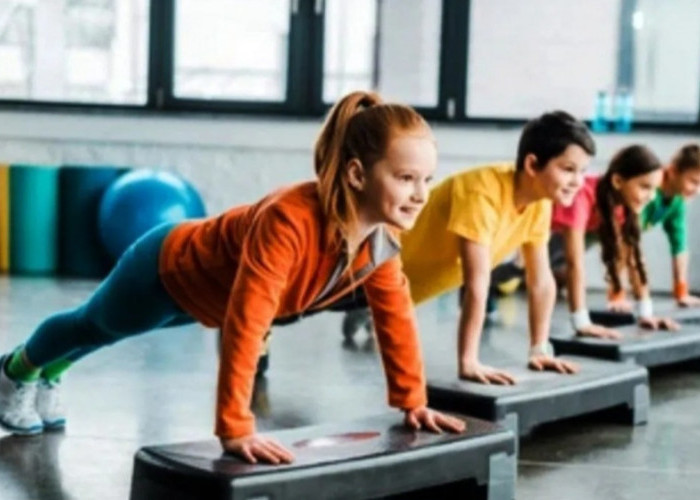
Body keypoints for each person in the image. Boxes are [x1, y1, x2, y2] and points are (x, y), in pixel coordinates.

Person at [0, 91, 464, 464]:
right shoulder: (290, 220)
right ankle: (15, 370)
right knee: (95, 326)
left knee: (106, 333)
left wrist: (412, 401)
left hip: (203, 300)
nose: (421, 194)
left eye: (427, 179)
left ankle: (50, 372)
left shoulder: (379, 246)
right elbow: (247, 321)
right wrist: (236, 426)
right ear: (358, 173)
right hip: (167, 270)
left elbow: (395, 319)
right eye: (406, 178)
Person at [346, 110, 594, 385]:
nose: (578, 182)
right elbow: (476, 284)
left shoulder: (540, 203)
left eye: (583, 171)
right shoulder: (481, 192)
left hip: (398, 290)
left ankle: (367, 312)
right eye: (568, 169)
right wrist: (469, 361)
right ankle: (362, 309)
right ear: (533, 165)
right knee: (296, 308)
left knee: (373, 306)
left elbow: (541, 281)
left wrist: (539, 349)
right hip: (361, 272)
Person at [550, 144, 680, 339]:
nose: (651, 197)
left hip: (560, 236)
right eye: (645, 187)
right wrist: (582, 323)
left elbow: (634, 258)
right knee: (509, 273)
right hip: (536, 234)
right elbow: (575, 263)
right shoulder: (582, 195)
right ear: (618, 181)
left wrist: (645, 313)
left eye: (655, 189)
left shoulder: (625, 205)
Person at [607, 144, 700, 311]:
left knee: (560, 275)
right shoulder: (648, 189)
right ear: (672, 171)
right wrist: (617, 295)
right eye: (693, 181)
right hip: (576, 231)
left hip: (600, 237)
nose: (697, 190)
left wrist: (681, 291)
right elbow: (624, 243)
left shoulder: (677, 201)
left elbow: (679, 247)